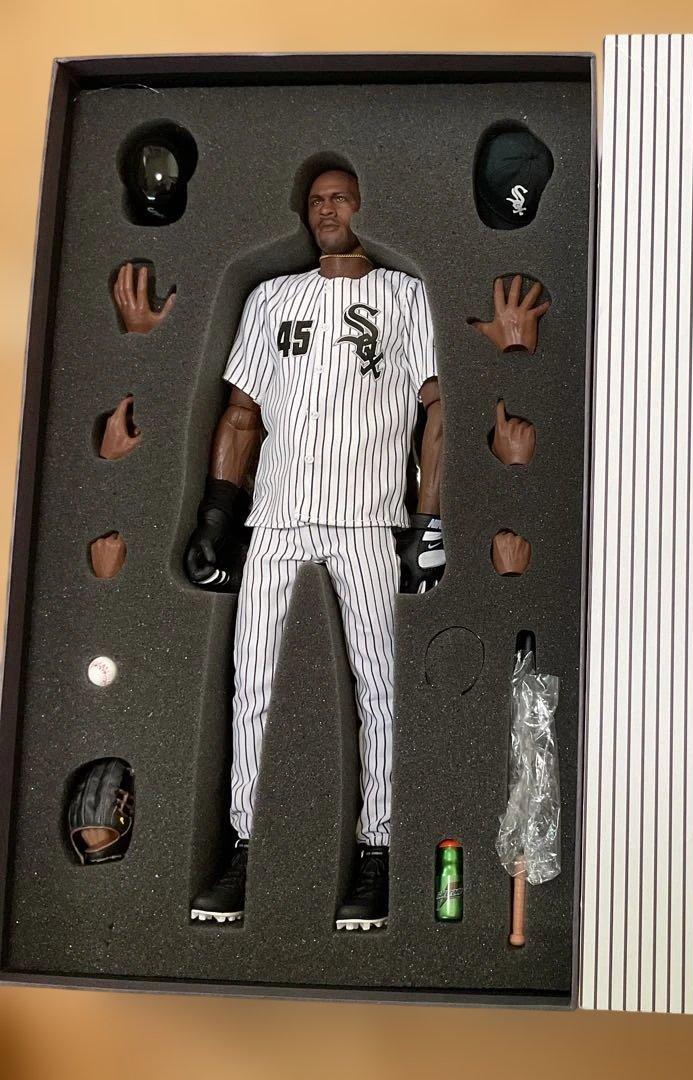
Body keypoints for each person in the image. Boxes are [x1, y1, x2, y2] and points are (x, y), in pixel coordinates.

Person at [185, 167, 444, 930]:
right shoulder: (271, 299)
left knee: (380, 687)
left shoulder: (406, 296)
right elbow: (242, 415)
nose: (326, 209)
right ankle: (247, 844)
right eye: (316, 199)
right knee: (253, 683)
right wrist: (217, 513)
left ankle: (378, 850)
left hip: (368, 517)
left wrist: (428, 524)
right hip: (276, 518)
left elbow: (439, 414)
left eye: (340, 197)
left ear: (367, 204)